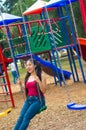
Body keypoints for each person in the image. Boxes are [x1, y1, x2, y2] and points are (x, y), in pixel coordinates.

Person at [14, 59, 46, 130]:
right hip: (28, 100)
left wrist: (39, 81)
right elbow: (27, 89)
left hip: (38, 100)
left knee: (26, 117)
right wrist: (20, 84)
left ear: (35, 65)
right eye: (27, 65)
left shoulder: (41, 75)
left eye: (29, 65)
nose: (28, 67)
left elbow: (44, 90)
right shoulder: (28, 77)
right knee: (21, 117)